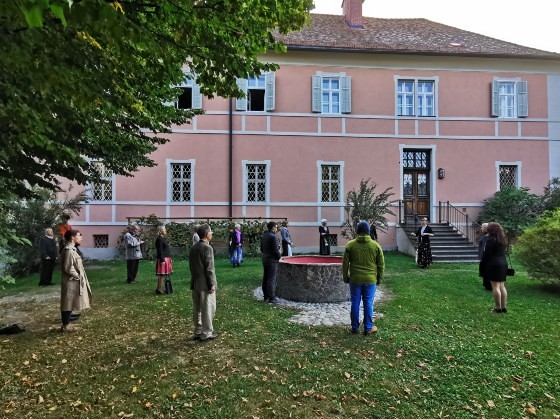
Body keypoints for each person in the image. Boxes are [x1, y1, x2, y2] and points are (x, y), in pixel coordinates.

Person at [343, 221, 385, 335]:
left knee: (355, 303)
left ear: (357, 231)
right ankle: (368, 328)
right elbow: (381, 265)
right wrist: (379, 279)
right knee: (368, 303)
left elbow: (345, 264)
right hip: (370, 280)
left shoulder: (350, 245)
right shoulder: (376, 246)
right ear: (368, 231)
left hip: (355, 279)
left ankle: (355, 327)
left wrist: (346, 277)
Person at [189, 224, 219, 341]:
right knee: (207, 308)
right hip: (205, 283)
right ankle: (206, 332)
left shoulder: (193, 248)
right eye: (211, 232)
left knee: (197, 309)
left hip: (195, 282)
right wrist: (212, 284)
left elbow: (191, 266)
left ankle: (198, 330)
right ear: (207, 234)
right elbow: (209, 269)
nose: (212, 234)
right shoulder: (207, 248)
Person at [60, 230, 92, 333]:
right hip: (71, 281)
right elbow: (68, 268)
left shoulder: (72, 249)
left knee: (70, 301)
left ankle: (67, 323)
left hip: (72, 280)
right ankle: (66, 326)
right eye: (79, 236)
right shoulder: (69, 250)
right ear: (72, 237)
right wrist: (78, 276)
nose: (81, 238)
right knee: (67, 302)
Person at [479, 222, 508, 313]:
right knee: (502, 286)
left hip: (493, 264)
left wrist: (482, 265)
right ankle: (504, 307)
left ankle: (498, 308)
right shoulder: (503, 240)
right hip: (503, 263)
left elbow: (486, 254)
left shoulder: (491, 240)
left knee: (495, 287)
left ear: (491, 229)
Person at [261, 221, 281, 303]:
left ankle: (265, 296)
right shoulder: (273, 237)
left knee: (265, 278)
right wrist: (279, 257)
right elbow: (276, 251)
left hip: (265, 259)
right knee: (271, 279)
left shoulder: (264, 235)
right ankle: (272, 298)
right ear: (273, 228)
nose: (276, 229)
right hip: (272, 260)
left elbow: (262, 249)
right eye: (276, 227)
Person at [155, 225, 173, 294]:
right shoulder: (159, 239)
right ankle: (159, 289)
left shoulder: (162, 238)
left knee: (163, 274)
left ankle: (159, 288)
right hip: (163, 258)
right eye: (164, 229)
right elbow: (160, 250)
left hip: (166, 258)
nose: (165, 230)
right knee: (161, 274)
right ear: (160, 231)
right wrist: (162, 260)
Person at [478, 223, 492, 291]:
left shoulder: (487, 237)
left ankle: (488, 286)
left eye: (482, 227)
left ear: (486, 228)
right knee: (485, 271)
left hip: (486, 258)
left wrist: (482, 258)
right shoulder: (485, 236)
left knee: (486, 272)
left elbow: (484, 248)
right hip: (484, 257)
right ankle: (487, 285)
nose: (481, 228)